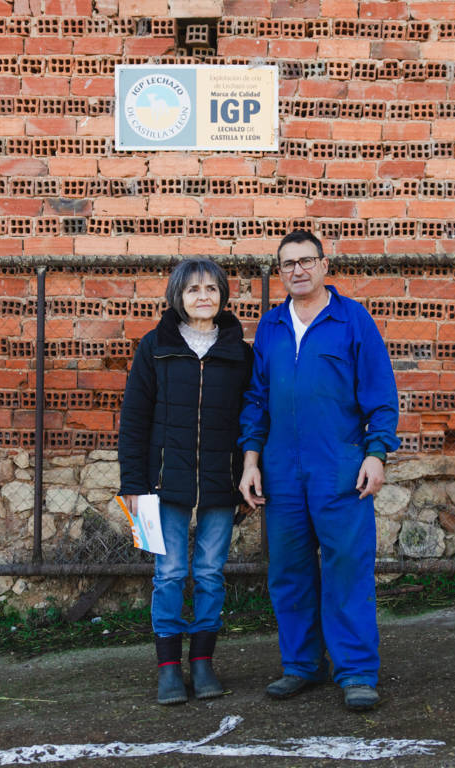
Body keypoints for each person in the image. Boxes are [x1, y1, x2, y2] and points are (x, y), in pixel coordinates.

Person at [238, 230, 399, 711]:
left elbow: (381, 395)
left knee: (347, 568)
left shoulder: (352, 320)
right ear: (280, 271)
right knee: (289, 572)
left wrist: (377, 454)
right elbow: (256, 400)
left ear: (324, 265)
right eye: (288, 264)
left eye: (306, 260)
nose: (298, 270)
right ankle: (301, 666)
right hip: (282, 471)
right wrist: (251, 461)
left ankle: (355, 671)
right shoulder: (270, 326)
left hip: (340, 467)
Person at [118, 258, 253, 705]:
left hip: (221, 481)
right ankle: (169, 669)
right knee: (170, 573)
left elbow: (251, 417)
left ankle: (203, 662)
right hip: (161, 483)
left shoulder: (239, 352)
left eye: (212, 288)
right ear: (177, 295)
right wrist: (132, 485)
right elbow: (134, 421)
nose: (203, 296)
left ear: (223, 296)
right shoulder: (154, 347)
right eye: (193, 289)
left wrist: (249, 477)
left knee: (211, 574)